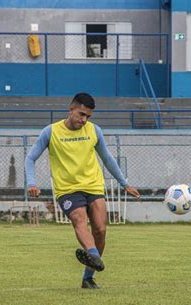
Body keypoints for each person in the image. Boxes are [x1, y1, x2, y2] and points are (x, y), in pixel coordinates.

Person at [25, 92, 140, 289]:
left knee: (100, 230)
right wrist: (31, 183)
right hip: (67, 189)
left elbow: (107, 159)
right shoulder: (51, 132)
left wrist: (124, 183)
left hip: (94, 185)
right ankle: (93, 255)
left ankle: (88, 278)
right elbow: (30, 158)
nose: (84, 119)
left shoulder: (94, 131)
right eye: (81, 114)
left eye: (88, 116)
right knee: (79, 219)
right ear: (70, 109)